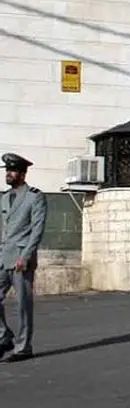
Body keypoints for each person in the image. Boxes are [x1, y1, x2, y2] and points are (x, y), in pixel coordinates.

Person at [0, 153, 48, 362]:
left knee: (22, 305)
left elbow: (37, 230)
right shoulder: (4, 197)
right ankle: (4, 335)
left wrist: (26, 256)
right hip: (3, 256)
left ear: (22, 173)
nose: (8, 174)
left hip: (21, 258)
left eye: (12, 171)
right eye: (7, 170)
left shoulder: (34, 197)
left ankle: (23, 347)